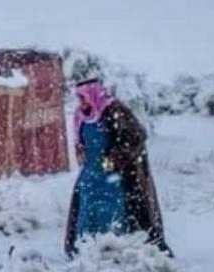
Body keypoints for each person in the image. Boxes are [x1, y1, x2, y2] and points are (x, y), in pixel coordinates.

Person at [64, 78, 172, 257]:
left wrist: (114, 159)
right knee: (86, 211)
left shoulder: (114, 110)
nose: (80, 102)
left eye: (83, 97)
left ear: (93, 94)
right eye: (78, 98)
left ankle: (118, 249)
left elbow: (136, 135)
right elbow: (80, 140)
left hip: (111, 176)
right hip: (89, 175)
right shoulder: (80, 115)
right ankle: (85, 251)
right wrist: (80, 151)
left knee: (113, 210)